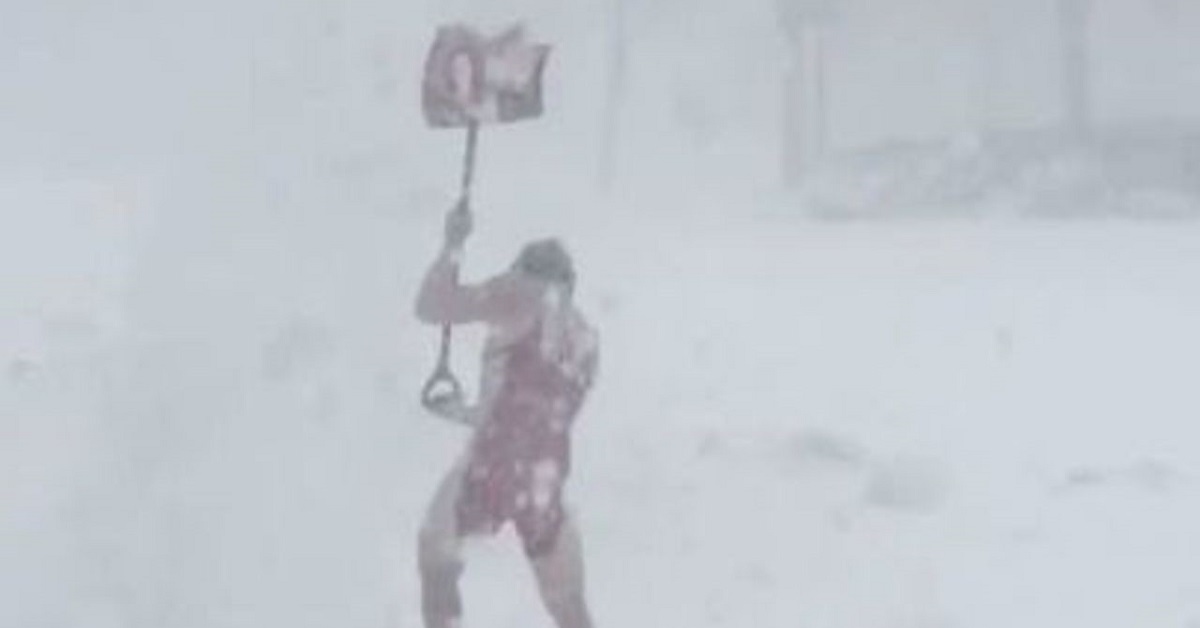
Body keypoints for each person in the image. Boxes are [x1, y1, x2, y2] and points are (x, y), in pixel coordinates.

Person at [414, 200, 599, 628]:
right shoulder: (585, 339)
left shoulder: (519, 291)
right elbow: (534, 412)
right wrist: (469, 413)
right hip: (545, 478)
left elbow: (430, 306)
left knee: (436, 554)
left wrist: (453, 243)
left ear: (525, 270)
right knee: (567, 602)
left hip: (492, 465)